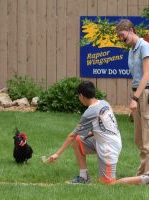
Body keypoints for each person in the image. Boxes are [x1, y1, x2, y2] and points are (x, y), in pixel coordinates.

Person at [45, 81, 149, 185]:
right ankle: (83, 177)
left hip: (109, 149)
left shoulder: (89, 112)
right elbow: (102, 126)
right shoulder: (104, 103)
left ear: (81, 96)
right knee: (78, 141)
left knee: (109, 184)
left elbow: (72, 135)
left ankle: (145, 178)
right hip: (110, 141)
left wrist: (57, 154)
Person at [116, 19, 149, 176]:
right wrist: (135, 96)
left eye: (122, 35)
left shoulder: (144, 46)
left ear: (131, 30)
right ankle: (143, 173)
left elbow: (147, 74)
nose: (121, 39)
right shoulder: (132, 50)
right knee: (139, 139)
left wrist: (135, 99)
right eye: (119, 37)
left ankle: (146, 176)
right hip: (137, 92)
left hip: (146, 94)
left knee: (147, 138)